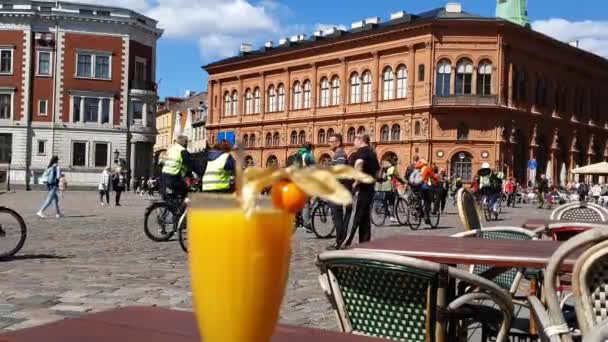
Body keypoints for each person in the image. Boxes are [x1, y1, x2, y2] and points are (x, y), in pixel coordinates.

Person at [344, 134, 379, 245]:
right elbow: (379, 171)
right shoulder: (372, 153)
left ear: (360, 140)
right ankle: (365, 242)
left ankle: (345, 241)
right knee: (364, 217)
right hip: (370, 189)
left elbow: (359, 163)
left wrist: (355, 182)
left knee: (357, 215)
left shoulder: (362, 151)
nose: (353, 143)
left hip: (362, 189)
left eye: (354, 140)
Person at [327, 133, 349, 249]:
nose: (329, 143)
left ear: (338, 142)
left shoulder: (340, 155)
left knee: (337, 216)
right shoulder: (337, 155)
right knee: (336, 216)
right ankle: (339, 241)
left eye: (331, 141)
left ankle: (339, 242)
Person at [161, 135, 197, 201]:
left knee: (174, 195)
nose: (187, 144)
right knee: (186, 190)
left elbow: (163, 162)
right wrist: (193, 175)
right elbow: (191, 165)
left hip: (163, 175)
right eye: (187, 142)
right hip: (173, 177)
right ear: (185, 142)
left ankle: (173, 207)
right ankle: (178, 209)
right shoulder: (183, 151)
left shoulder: (170, 149)